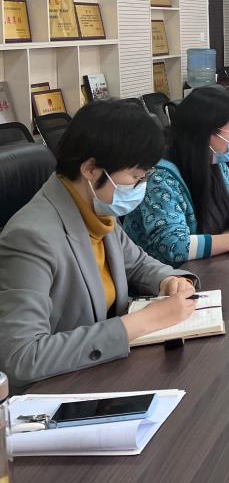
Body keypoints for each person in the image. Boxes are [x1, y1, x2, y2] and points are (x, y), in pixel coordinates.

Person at [0, 100, 199, 388]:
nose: (140, 186)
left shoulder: (95, 209)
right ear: (91, 169)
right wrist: (142, 322)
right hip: (60, 391)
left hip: (105, 372)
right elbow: (22, 358)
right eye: (135, 177)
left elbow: (137, 263)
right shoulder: (30, 237)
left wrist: (168, 280)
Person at [123, 87, 229, 266]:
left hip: (204, 267)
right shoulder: (159, 178)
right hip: (165, 277)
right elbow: (174, 246)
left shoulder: (213, 161)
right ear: (208, 135)